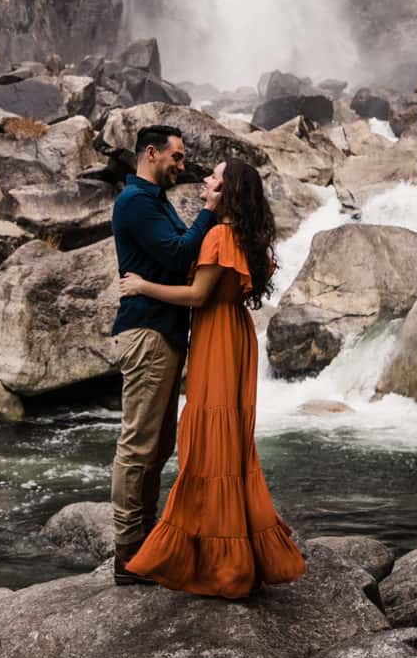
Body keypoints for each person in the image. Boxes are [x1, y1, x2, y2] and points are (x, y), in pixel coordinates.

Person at [118, 157, 306, 598]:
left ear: (228, 192)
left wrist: (142, 287)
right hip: (232, 333)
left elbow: (198, 295)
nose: (204, 179)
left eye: (214, 177)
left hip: (218, 335)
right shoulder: (237, 233)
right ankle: (230, 548)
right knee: (227, 441)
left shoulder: (220, 235)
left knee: (213, 440)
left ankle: (223, 563)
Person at [109, 123, 218, 586]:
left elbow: (182, 258)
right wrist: (210, 211)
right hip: (147, 332)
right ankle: (128, 555)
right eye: (176, 157)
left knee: (156, 445)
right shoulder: (135, 202)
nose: (182, 165)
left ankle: (145, 542)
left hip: (162, 332)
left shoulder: (154, 201)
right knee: (139, 445)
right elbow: (177, 255)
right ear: (150, 153)